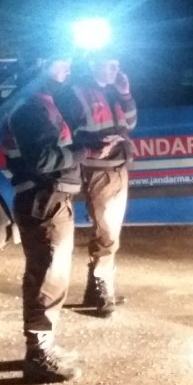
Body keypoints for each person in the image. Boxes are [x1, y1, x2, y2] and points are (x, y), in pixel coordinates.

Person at [3, 57, 114, 383]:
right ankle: (38, 356)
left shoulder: (42, 105)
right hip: (43, 200)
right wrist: (87, 153)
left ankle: (44, 346)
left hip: (49, 199)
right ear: (39, 66)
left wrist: (84, 146)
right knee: (47, 278)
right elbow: (42, 159)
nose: (67, 67)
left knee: (51, 276)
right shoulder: (31, 109)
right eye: (60, 62)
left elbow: (54, 149)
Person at [58, 56, 137, 317]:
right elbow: (66, 132)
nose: (115, 70)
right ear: (93, 65)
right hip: (99, 170)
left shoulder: (113, 92)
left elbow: (131, 123)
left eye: (117, 64)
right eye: (109, 64)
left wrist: (125, 94)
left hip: (117, 167)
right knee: (107, 231)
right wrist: (96, 143)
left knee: (109, 230)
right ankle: (103, 290)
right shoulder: (76, 93)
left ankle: (96, 289)